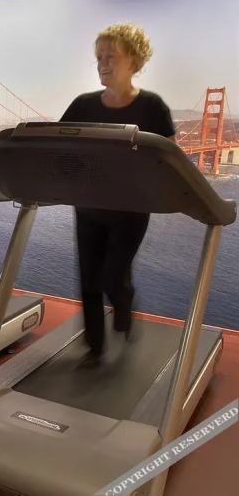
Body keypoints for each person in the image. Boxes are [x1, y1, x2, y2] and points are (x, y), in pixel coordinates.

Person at [59, 23, 177, 363]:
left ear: (134, 62)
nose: (102, 64)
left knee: (113, 277)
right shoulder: (82, 106)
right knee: (89, 282)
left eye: (111, 56)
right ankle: (94, 348)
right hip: (89, 208)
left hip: (130, 210)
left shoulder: (153, 107)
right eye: (99, 57)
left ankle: (124, 309)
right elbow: (57, 148)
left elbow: (171, 160)